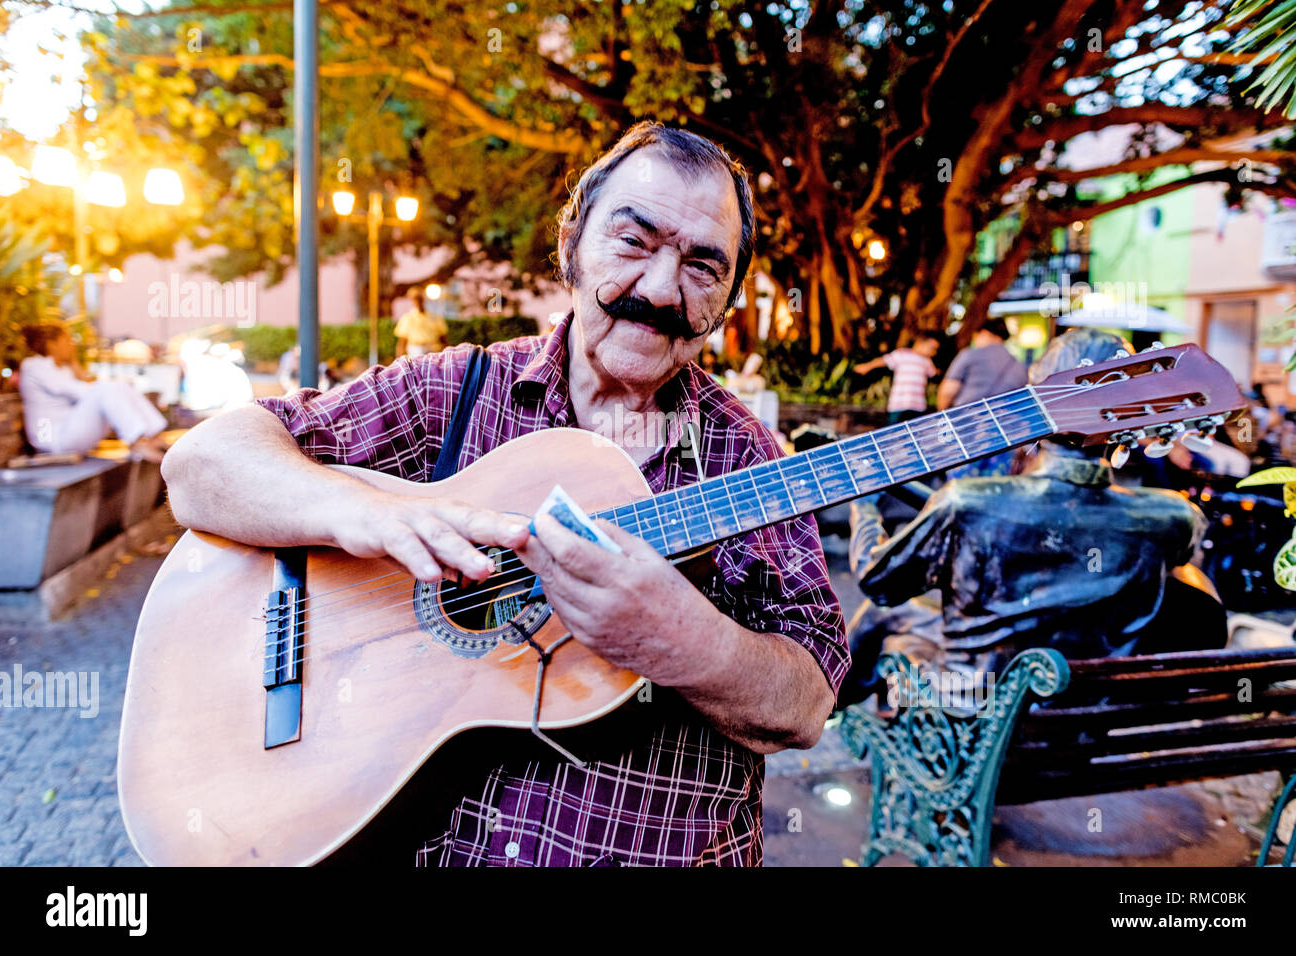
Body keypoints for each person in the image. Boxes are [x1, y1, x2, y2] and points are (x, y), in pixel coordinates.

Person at [161, 122, 848, 867]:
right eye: (634, 242)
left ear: (724, 300)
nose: (660, 289)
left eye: (702, 266)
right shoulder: (454, 391)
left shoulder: (745, 457)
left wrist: (685, 641)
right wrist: (373, 513)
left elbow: (805, 708)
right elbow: (202, 465)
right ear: (572, 246)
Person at [845, 329, 1210, 693]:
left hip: (981, 710)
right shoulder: (1173, 518)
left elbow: (878, 582)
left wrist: (862, 505)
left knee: (884, 612)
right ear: (1131, 414)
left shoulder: (965, 503)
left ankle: (827, 709)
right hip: (1089, 708)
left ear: (1033, 400)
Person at [18, 322, 168, 463]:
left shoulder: (63, 369)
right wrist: (100, 389)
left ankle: (153, 436)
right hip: (54, 441)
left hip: (70, 432)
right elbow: (80, 391)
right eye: (67, 341)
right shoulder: (34, 366)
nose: (72, 345)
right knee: (107, 388)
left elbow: (87, 388)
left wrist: (73, 363)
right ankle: (136, 441)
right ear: (52, 344)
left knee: (120, 385)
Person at [937, 317, 1027, 477]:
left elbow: (948, 391)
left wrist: (943, 419)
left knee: (958, 488)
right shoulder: (1019, 366)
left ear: (984, 333)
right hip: (1003, 438)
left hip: (966, 431)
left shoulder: (970, 355)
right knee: (988, 490)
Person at [854, 334, 939, 424]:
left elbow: (933, 373)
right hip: (899, 404)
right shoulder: (902, 353)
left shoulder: (927, 361)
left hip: (918, 405)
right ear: (920, 343)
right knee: (894, 431)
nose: (934, 352)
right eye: (932, 348)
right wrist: (867, 366)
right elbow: (883, 360)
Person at [394, 287, 449, 358]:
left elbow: (444, 339)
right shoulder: (407, 318)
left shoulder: (435, 318)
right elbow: (402, 342)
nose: (418, 301)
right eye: (415, 299)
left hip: (433, 350)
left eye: (420, 298)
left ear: (423, 299)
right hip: (415, 350)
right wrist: (399, 359)